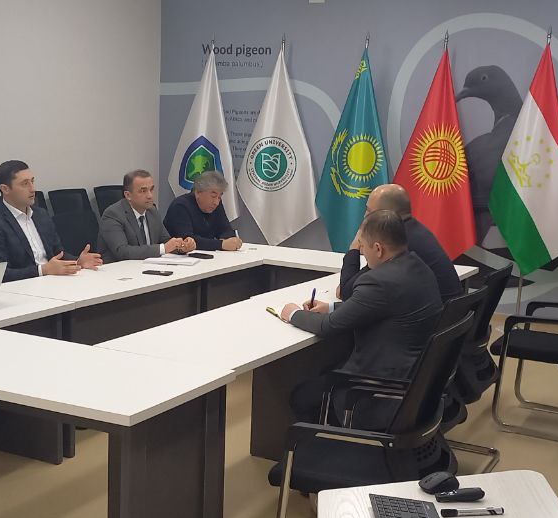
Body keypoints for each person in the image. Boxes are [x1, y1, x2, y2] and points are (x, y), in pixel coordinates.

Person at [282, 210, 443, 423]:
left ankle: (335, 442)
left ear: (378, 249)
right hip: (416, 385)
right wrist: (331, 307)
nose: (363, 254)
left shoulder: (379, 281)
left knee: (302, 397)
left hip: (377, 390)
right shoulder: (418, 267)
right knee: (327, 368)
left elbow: (327, 327)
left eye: (363, 247)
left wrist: (293, 313)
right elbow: (382, 306)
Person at [0, 160, 102, 281]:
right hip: (23, 289)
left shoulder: (41, 215)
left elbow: (58, 253)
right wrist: (42, 270)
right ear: (5, 189)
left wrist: (78, 261)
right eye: (25, 184)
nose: (32, 189)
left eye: (32, 181)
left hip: (54, 281)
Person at [338, 183, 462, 301]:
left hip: (435, 313)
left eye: (369, 211)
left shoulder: (395, 240)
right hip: (449, 310)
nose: (365, 216)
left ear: (385, 215)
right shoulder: (415, 230)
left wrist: (354, 247)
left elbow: (347, 292)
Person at [97, 169, 195, 263]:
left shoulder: (152, 211)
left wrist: (181, 246)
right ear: (128, 195)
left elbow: (165, 241)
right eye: (143, 191)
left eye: (151, 189)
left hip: (148, 267)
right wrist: (163, 248)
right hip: (118, 270)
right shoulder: (113, 214)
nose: (150, 196)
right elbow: (122, 252)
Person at [163, 170, 243, 252]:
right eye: (213, 196)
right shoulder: (180, 206)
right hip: (177, 257)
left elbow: (226, 230)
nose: (216, 202)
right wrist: (221, 244)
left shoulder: (216, 205)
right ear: (198, 193)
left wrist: (230, 240)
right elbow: (187, 240)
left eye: (219, 197)